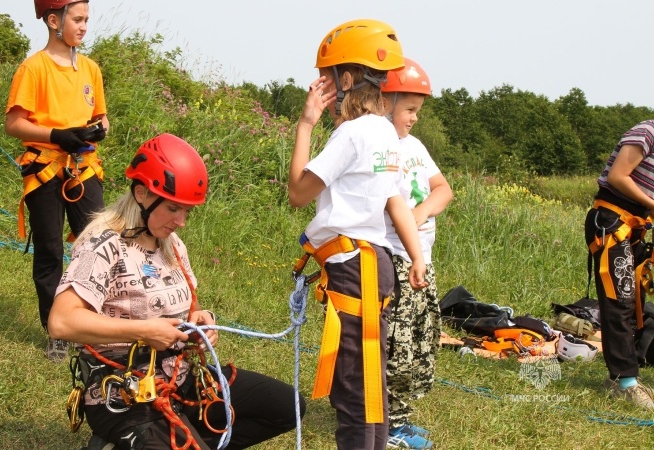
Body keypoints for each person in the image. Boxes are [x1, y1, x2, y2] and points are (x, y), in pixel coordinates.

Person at [48, 133, 305, 449]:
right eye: (173, 209)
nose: (181, 221)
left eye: (187, 211)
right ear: (142, 194)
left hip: (181, 378)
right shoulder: (104, 245)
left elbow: (187, 310)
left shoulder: (172, 246)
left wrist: (201, 319)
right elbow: (61, 322)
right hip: (123, 390)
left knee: (286, 406)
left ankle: (186, 440)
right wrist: (143, 332)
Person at [288, 19, 428, 450]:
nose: (324, 90)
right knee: (370, 385)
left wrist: (306, 125)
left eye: (328, 80)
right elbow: (396, 201)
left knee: (352, 388)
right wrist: (417, 256)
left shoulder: (351, 134)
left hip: (353, 267)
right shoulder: (387, 133)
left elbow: (298, 192)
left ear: (346, 79)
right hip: (376, 264)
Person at [5, 0, 109, 361]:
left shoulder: (91, 69)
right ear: (54, 20)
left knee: (97, 246)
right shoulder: (33, 69)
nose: (84, 26)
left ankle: (96, 325)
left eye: (86, 20)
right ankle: (57, 330)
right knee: (50, 249)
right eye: (77, 19)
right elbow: (14, 123)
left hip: (84, 168)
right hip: (46, 169)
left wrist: (97, 131)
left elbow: (101, 115)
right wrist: (57, 135)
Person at [380, 58, 452, 449]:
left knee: (421, 341)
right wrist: (407, 228)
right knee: (396, 345)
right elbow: (387, 202)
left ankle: (400, 417)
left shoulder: (414, 147)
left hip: (420, 259)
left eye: (418, 111)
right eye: (409, 109)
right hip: (394, 258)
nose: (414, 118)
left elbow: (443, 190)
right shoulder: (378, 147)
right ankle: (385, 425)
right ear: (384, 100)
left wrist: (420, 212)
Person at [585, 120, 654, 409]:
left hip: (635, 225)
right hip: (612, 222)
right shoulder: (648, 132)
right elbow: (617, 176)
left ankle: (622, 376)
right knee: (619, 301)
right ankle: (625, 382)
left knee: (635, 300)